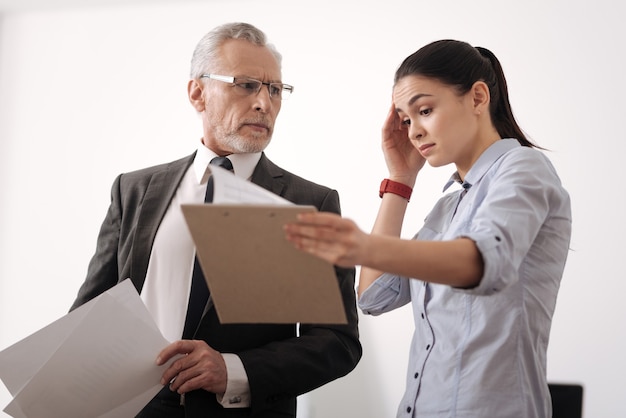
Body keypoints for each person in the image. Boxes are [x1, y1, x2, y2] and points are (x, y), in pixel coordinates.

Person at [70, 22, 361, 418]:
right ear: (197, 92)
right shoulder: (133, 190)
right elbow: (90, 315)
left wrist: (233, 370)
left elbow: (335, 342)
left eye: (275, 89)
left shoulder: (309, 202)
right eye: (246, 85)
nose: (264, 103)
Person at [285, 39, 571, 417]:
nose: (414, 131)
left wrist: (362, 247)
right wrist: (400, 180)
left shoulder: (523, 168)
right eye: (405, 120)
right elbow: (374, 296)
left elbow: (484, 264)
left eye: (424, 110)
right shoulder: (450, 203)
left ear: (478, 98)